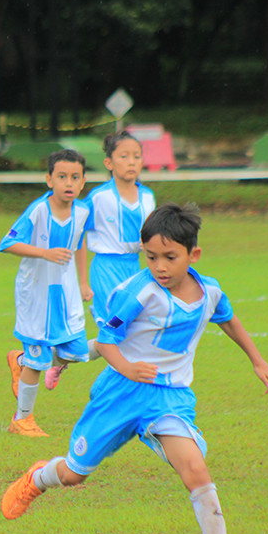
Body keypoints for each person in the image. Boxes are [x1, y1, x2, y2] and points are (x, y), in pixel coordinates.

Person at [0, 203, 268, 534]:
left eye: (170, 257)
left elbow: (227, 318)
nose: (160, 266)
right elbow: (108, 341)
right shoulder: (137, 292)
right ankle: (38, 477)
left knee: (195, 469)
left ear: (193, 255)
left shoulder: (209, 292)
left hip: (168, 397)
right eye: (151, 257)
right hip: (119, 393)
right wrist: (128, 368)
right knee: (74, 474)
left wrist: (257, 360)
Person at [0, 149, 92, 438]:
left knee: (75, 354)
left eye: (75, 177)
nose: (69, 182)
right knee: (40, 359)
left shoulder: (83, 211)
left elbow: (79, 245)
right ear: (49, 179)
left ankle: (21, 362)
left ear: (83, 182)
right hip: (36, 292)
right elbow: (7, 243)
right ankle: (22, 419)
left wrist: (84, 282)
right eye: (62, 176)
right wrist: (44, 253)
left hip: (65, 293)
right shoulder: (38, 210)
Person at [67, 131, 157, 387]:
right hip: (106, 269)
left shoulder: (148, 197)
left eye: (137, 156)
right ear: (109, 163)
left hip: (135, 270)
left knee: (128, 333)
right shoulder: (99, 197)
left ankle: (56, 360)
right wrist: (83, 283)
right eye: (124, 156)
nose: (131, 162)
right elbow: (79, 236)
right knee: (118, 335)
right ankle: (113, 395)